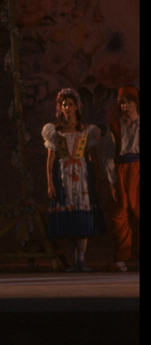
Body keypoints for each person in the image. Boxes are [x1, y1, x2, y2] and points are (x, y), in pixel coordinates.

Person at [41, 88, 105, 272]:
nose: (67, 108)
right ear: (60, 108)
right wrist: (50, 182)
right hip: (64, 177)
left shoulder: (87, 131)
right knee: (69, 215)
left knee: (82, 213)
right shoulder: (56, 131)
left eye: (70, 104)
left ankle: (81, 259)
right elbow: (50, 160)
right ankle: (74, 259)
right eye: (64, 105)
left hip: (81, 178)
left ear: (77, 107)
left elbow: (93, 158)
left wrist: (98, 180)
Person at [105, 86, 139, 272]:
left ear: (136, 104)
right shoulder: (115, 127)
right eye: (122, 103)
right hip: (121, 170)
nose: (125, 106)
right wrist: (111, 181)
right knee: (120, 214)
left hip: (139, 170)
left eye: (128, 102)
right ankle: (121, 258)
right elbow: (109, 156)